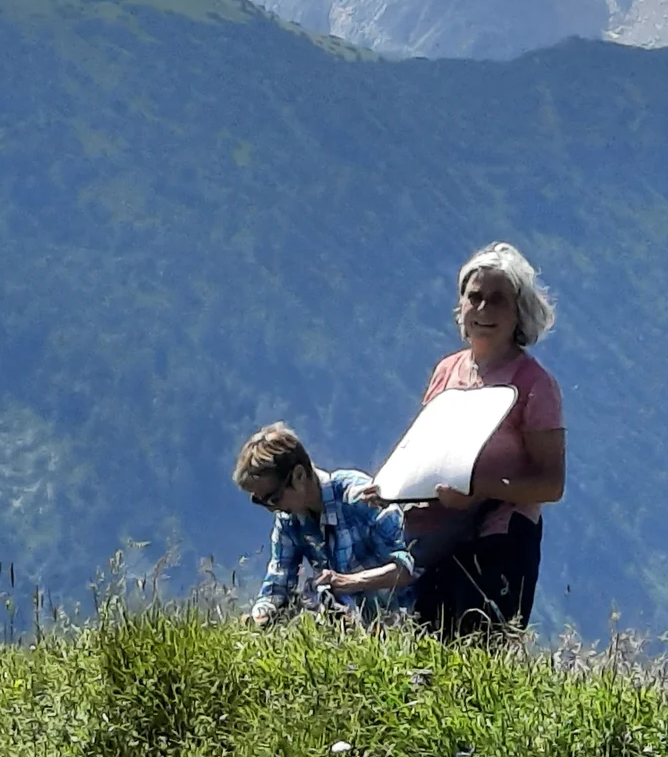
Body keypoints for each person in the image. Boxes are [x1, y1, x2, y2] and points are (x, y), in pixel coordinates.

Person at [401, 242, 566, 636]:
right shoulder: (446, 371)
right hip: (438, 537)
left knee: (481, 655)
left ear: (519, 312)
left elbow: (551, 484)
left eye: (498, 300)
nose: (484, 309)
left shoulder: (534, 385)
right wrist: (395, 487)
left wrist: (478, 490)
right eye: (475, 297)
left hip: (502, 541)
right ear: (461, 306)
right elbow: (426, 451)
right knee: (427, 656)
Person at [233, 422, 416, 626]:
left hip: (405, 622)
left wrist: (348, 582)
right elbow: (278, 583)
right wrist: (259, 616)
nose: (270, 508)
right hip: (355, 632)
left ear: (299, 476)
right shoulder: (288, 520)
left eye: (274, 498)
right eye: (259, 501)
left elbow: (405, 570)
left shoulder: (357, 496)